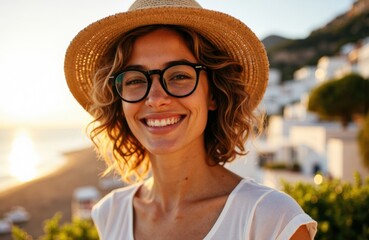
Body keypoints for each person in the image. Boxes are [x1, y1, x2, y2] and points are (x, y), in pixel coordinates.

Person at [64, 0, 317, 239]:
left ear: (214, 95)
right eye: (135, 80)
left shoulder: (271, 220)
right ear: (119, 103)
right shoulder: (110, 213)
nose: (155, 98)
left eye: (179, 76)